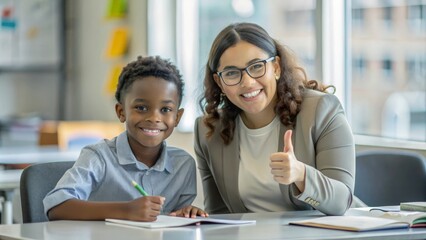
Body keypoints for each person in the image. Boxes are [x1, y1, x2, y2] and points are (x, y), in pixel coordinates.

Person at [194, 22, 356, 216]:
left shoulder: (322, 111)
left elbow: (341, 202)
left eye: (256, 67)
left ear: (276, 67)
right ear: (219, 82)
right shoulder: (209, 130)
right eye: (231, 73)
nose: (247, 82)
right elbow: (219, 216)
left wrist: (301, 174)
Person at [44, 56, 208, 221]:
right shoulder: (99, 157)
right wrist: (126, 210)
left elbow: (172, 221)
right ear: (121, 112)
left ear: (177, 117)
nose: (154, 118)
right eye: (141, 108)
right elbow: (57, 207)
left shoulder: (183, 165)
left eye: (166, 109)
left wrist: (185, 213)